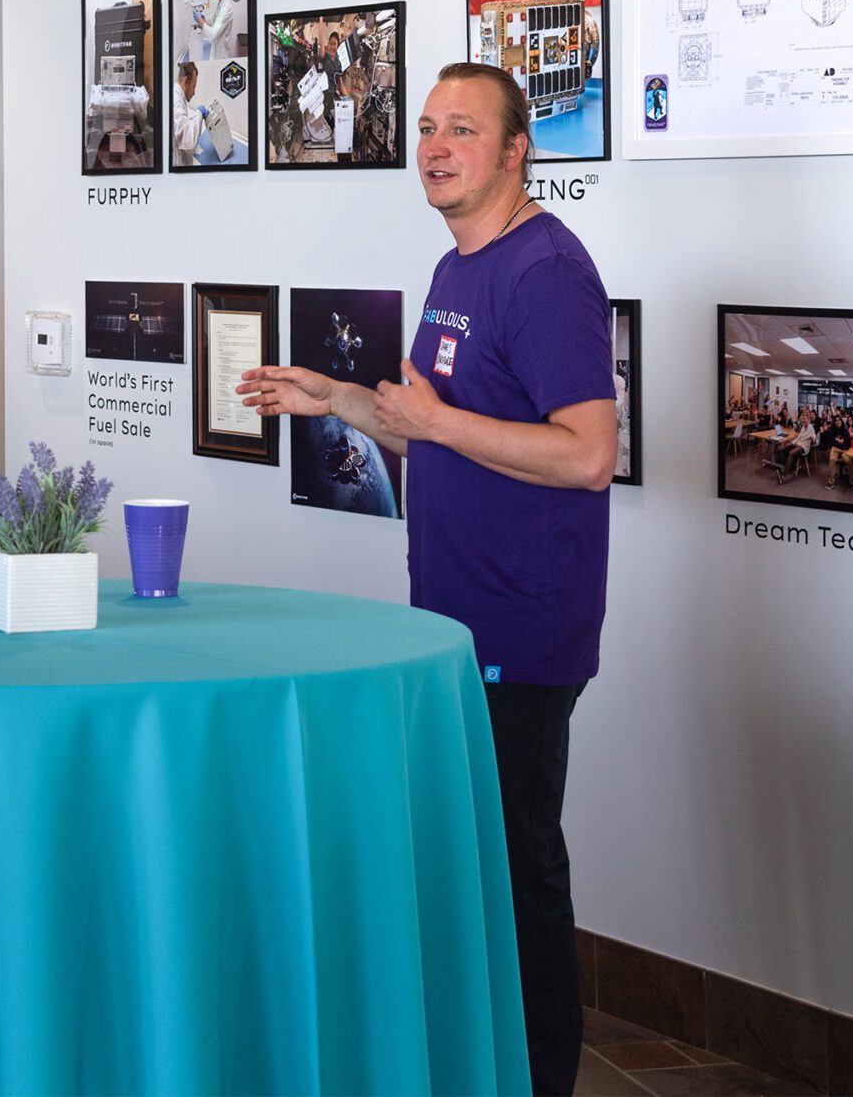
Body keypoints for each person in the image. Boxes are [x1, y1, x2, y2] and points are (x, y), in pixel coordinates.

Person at [237, 60, 616, 1097]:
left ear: (513, 149)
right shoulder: (458, 267)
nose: (437, 148)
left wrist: (431, 420)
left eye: (462, 129)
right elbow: (430, 431)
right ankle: (481, 1059)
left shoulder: (545, 270)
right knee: (470, 852)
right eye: (426, 128)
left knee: (517, 860)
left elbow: (585, 452)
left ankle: (541, 1075)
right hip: (450, 613)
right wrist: (333, 396)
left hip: (523, 621)